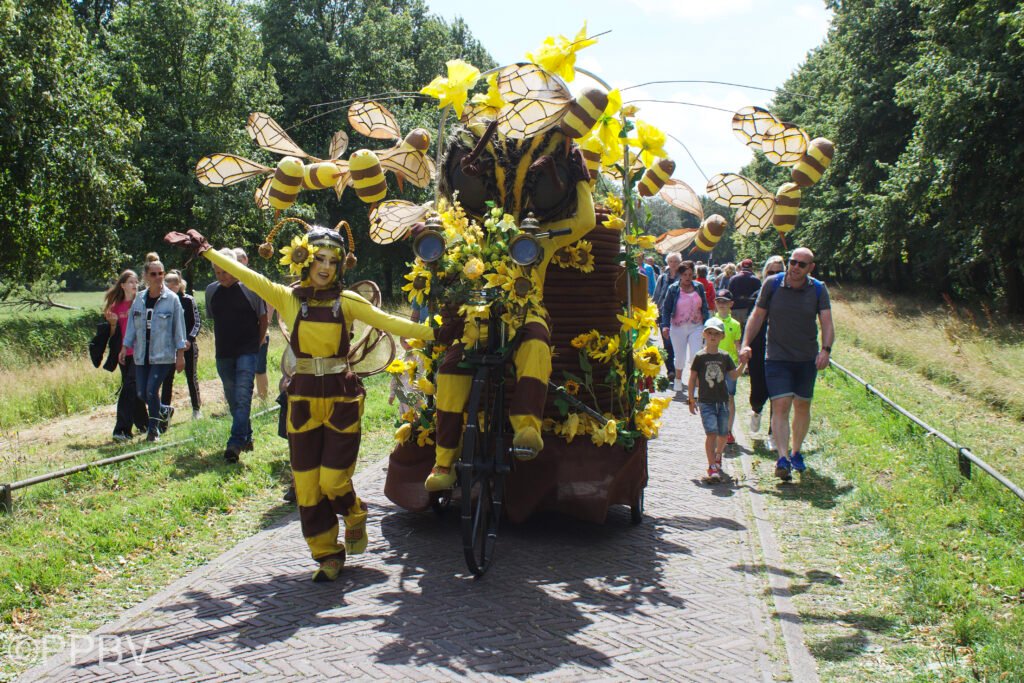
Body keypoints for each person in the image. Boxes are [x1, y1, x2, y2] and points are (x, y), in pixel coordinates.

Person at [165, 224, 445, 583]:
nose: (326, 267)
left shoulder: (348, 301)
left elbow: (393, 323)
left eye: (333, 260)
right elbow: (244, 274)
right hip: (302, 400)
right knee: (307, 485)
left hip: (342, 399)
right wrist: (206, 250)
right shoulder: (288, 299)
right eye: (320, 259)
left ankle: (355, 512)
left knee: (332, 481)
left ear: (341, 265)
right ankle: (327, 552)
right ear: (306, 260)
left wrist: (445, 331)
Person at [740, 247, 834, 481]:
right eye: (793, 262)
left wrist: (826, 350)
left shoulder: (819, 289)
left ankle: (796, 452)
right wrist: (746, 343)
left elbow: (827, 323)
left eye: (802, 264)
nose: (795, 267)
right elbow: (757, 316)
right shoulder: (772, 284)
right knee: (781, 405)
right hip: (777, 357)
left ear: (810, 268)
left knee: (802, 406)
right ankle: (782, 458)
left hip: (806, 358)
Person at [205, 249, 268, 463]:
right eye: (218, 272)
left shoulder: (250, 288)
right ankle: (246, 436)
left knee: (243, 396)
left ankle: (234, 443)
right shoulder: (211, 291)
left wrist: (258, 343)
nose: (222, 276)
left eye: (226, 271)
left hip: (247, 350)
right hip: (223, 352)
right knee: (233, 399)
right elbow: (214, 318)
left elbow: (263, 318)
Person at [119, 260, 186, 442]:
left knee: (151, 390)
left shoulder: (172, 299)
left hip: (163, 355)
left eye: (161, 273)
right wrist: (125, 347)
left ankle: (153, 431)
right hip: (142, 354)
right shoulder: (139, 299)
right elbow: (132, 326)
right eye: (154, 274)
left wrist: (180, 355)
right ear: (146, 277)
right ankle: (164, 410)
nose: (158, 277)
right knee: (141, 393)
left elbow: (179, 328)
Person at [688, 317, 744, 483]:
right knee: (711, 433)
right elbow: (692, 378)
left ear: (722, 337)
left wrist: (743, 364)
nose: (713, 336)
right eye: (710, 333)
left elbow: (733, 375)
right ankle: (712, 465)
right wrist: (691, 398)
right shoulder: (700, 357)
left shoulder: (725, 357)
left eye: (716, 334)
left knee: (723, 434)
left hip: (723, 401)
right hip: (706, 402)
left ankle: (718, 455)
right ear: (704, 334)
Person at [103, 270, 148, 441]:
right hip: (124, 354)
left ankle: (121, 429)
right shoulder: (115, 307)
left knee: (129, 387)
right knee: (133, 389)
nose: (135, 285)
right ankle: (145, 425)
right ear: (122, 285)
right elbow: (113, 335)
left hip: (140, 352)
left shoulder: (141, 303)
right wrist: (113, 324)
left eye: (136, 282)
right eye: (131, 282)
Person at [748, 255, 785, 443]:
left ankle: (773, 434)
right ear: (764, 274)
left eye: (780, 272)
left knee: (779, 395)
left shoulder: (791, 298)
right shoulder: (757, 297)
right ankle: (756, 410)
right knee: (758, 392)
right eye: (771, 272)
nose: (776, 276)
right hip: (759, 350)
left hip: (782, 352)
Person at [659, 260, 709, 392]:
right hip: (678, 327)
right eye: (685, 274)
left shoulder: (699, 287)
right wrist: (665, 326)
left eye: (690, 274)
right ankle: (678, 380)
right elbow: (666, 309)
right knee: (679, 356)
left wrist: (706, 325)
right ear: (680, 275)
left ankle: (696, 385)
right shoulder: (673, 289)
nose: (688, 277)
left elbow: (705, 307)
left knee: (695, 355)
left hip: (696, 326)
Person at [159, 271, 202, 419]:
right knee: (167, 379)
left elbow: (197, 322)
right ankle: (165, 412)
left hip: (188, 346)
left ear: (179, 285)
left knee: (191, 376)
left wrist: (189, 339)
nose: (171, 290)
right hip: (170, 348)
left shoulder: (188, 300)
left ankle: (196, 409)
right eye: (167, 287)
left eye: (173, 287)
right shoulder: (162, 302)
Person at [234, 247, 272, 401]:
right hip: (236, 334)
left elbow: (270, 303)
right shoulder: (228, 280)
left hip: (259, 332)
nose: (235, 263)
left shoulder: (257, 279)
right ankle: (235, 401)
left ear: (246, 260)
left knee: (259, 369)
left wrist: (265, 328)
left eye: (239, 260)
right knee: (235, 368)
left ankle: (263, 401)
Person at [714, 289, 743, 443]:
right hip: (714, 364)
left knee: (729, 397)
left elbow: (737, 344)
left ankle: (728, 431)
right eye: (719, 301)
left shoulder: (735, 324)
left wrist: (742, 360)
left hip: (730, 364)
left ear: (731, 304)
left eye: (725, 302)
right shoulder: (711, 322)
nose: (722, 304)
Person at [652, 252, 682, 376]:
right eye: (671, 261)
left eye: (676, 261)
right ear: (667, 263)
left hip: (679, 313)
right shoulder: (662, 277)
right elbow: (657, 294)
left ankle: (677, 367)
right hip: (663, 313)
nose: (673, 264)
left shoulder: (683, 277)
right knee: (667, 342)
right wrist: (653, 311)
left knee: (677, 342)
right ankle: (670, 370)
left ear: (679, 263)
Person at [727, 258, 762, 327]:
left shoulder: (733, 279)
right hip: (749, 310)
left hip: (735, 309)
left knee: (736, 333)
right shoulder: (756, 280)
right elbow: (759, 297)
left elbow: (729, 295)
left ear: (741, 267)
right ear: (752, 267)